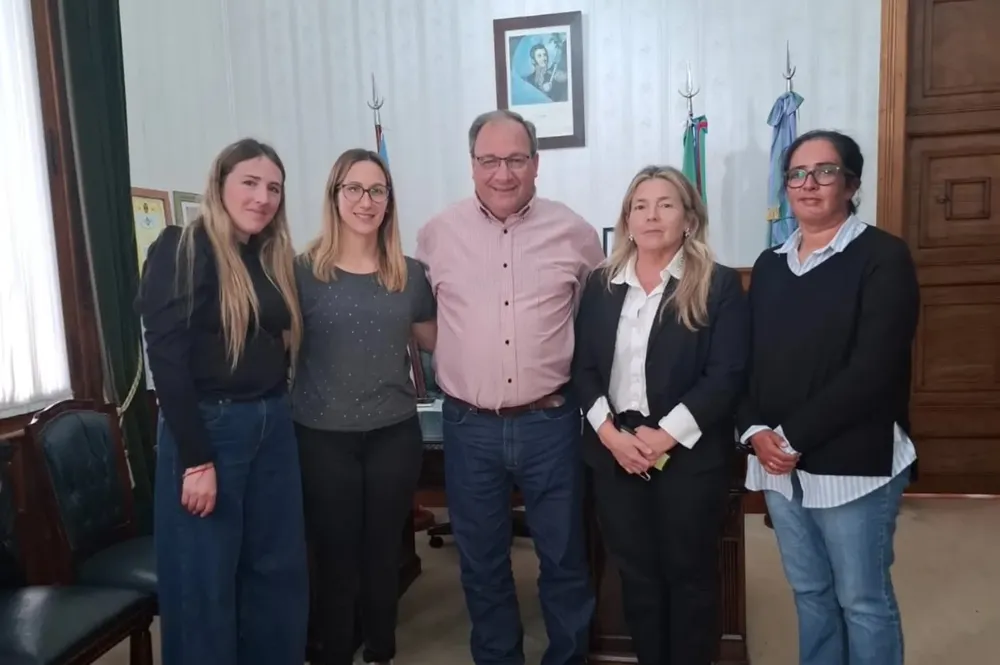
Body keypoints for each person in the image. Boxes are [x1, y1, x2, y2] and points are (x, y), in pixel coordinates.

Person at [415, 109, 604, 665]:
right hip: (468, 425)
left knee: (565, 557)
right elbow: (423, 320)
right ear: (472, 165)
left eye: (516, 159)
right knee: (481, 562)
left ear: (536, 164)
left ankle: (568, 656)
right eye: (490, 160)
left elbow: (592, 323)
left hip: (551, 423)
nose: (503, 173)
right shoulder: (435, 235)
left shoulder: (576, 233)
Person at [737, 129, 919, 665]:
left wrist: (790, 437)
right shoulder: (770, 264)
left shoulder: (883, 257)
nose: (808, 184)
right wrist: (754, 432)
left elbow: (874, 369)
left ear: (852, 182)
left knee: (862, 599)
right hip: (775, 463)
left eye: (825, 172)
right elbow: (744, 361)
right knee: (811, 593)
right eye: (796, 174)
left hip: (852, 462)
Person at [138, 138, 309, 665]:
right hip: (211, 432)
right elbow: (166, 360)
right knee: (204, 585)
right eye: (250, 183)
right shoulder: (180, 247)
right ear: (220, 185)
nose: (263, 198)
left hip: (272, 424)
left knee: (276, 573)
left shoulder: (265, 256)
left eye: (274, 188)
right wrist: (196, 460)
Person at [571, 165, 748, 665]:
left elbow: (727, 374)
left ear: (688, 219)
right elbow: (582, 369)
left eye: (666, 204)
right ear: (627, 221)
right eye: (640, 206)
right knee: (637, 575)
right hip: (616, 454)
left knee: (689, 575)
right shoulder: (601, 284)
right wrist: (610, 435)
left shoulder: (718, 285)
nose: (652, 215)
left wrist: (662, 438)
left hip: (688, 455)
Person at [291, 148, 436, 665]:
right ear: (334, 196)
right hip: (321, 435)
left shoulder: (410, 275)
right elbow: (275, 349)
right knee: (334, 558)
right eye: (353, 188)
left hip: (393, 434)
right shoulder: (301, 272)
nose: (365, 200)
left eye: (377, 190)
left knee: (382, 555)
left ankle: (380, 651)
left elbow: (437, 342)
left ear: (389, 201)